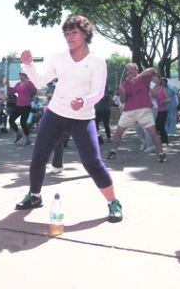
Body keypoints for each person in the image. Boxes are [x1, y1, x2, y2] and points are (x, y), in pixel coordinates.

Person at [14, 15, 123, 223]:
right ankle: (34, 196)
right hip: (55, 113)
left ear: (85, 34)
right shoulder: (58, 57)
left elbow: (99, 92)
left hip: (82, 117)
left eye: (74, 32)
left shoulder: (97, 61)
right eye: (66, 33)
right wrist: (28, 65)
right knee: (39, 156)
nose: (69, 36)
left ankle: (113, 202)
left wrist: (84, 100)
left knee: (93, 162)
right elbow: (39, 82)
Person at [106, 63, 167, 162]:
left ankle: (161, 154)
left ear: (136, 70)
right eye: (128, 70)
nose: (130, 71)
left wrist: (139, 76)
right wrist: (122, 92)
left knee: (153, 133)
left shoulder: (143, 78)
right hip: (129, 111)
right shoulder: (124, 84)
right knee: (118, 132)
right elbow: (122, 101)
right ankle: (113, 151)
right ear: (126, 72)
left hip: (144, 110)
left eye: (132, 69)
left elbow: (151, 69)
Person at [8, 72, 37, 145]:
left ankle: (28, 139)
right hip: (19, 105)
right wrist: (7, 85)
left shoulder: (29, 83)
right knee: (11, 120)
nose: (21, 76)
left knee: (23, 122)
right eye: (20, 75)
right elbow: (12, 91)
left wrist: (29, 84)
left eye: (22, 75)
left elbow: (34, 91)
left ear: (26, 76)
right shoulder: (18, 84)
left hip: (26, 106)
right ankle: (18, 134)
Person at [151, 76, 171, 145]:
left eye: (156, 79)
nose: (154, 80)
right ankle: (164, 141)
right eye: (153, 79)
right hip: (154, 110)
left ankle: (158, 142)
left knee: (158, 126)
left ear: (160, 80)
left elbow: (169, 99)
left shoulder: (163, 89)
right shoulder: (152, 88)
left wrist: (164, 101)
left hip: (163, 110)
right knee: (161, 126)